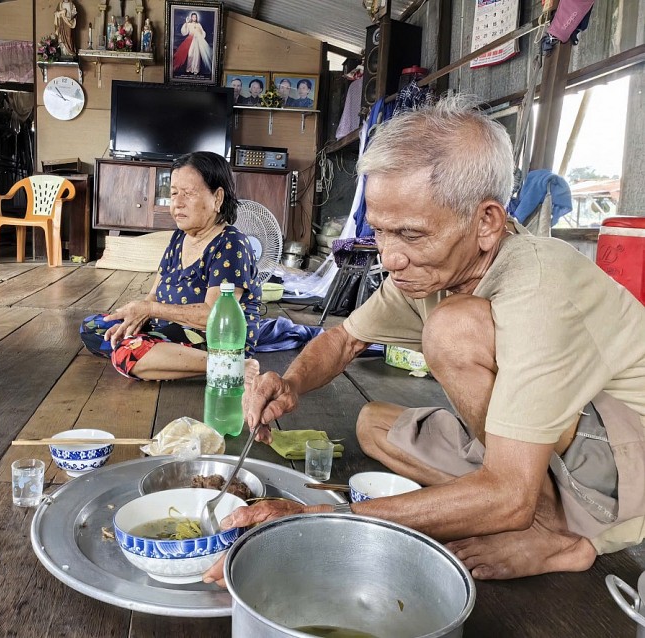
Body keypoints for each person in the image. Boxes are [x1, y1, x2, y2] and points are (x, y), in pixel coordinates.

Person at [203, 94, 645, 587]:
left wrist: (316, 518)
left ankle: (552, 532)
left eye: (410, 235)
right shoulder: (429, 270)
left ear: (486, 222)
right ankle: (494, 501)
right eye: (382, 232)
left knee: (454, 329)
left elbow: (511, 490)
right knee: (372, 425)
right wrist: (291, 383)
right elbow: (343, 341)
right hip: (531, 451)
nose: (389, 258)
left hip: (617, 467)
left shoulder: (537, 285)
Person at [80, 152, 262, 381]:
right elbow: (154, 294)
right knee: (94, 326)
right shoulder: (179, 237)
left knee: (127, 352)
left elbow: (215, 317)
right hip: (169, 327)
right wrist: (138, 317)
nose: (177, 203)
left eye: (188, 194)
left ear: (218, 198)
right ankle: (161, 356)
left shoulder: (231, 244)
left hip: (212, 338)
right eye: (174, 193)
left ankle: (230, 365)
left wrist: (150, 311)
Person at [172, 11, 212, 76]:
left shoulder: (199, 25)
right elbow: (184, 32)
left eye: (195, 17)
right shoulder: (189, 24)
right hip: (190, 40)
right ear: (191, 17)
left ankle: (196, 69)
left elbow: (203, 33)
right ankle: (189, 69)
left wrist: (200, 33)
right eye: (193, 17)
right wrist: (186, 23)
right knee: (190, 54)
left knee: (197, 55)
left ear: (196, 18)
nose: (194, 18)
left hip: (197, 41)